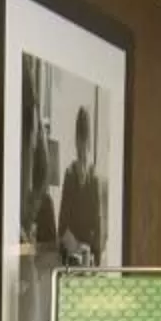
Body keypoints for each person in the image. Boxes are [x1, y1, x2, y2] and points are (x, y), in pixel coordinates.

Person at [57, 102, 106, 268]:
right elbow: (62, 225)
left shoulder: (93, 178)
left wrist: (92, 254)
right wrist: (80, 248)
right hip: (75, 257)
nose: (82, 146)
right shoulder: (73, 175)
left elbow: (98, 224)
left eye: (83, 140)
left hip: (84, 257)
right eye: (81, 140)